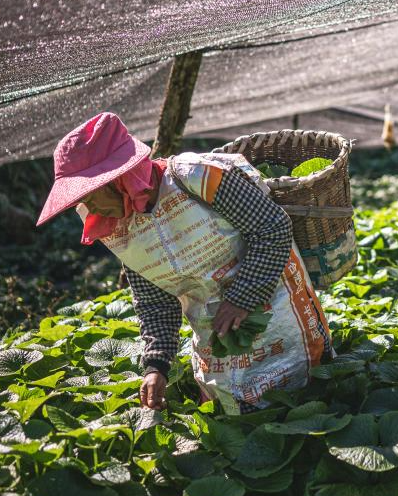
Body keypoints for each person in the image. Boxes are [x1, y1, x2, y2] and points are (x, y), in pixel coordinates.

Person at [37, 113, 331, 414]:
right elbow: (155, 302)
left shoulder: (197, 177)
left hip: (278, 313)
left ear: (119, 179)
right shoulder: (119, 229)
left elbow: (272, 228)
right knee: (232, 422)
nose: (88, 206)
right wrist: (156, 366)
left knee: (305, 402)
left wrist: (243, 297)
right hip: (215, 343)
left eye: (90, 194)